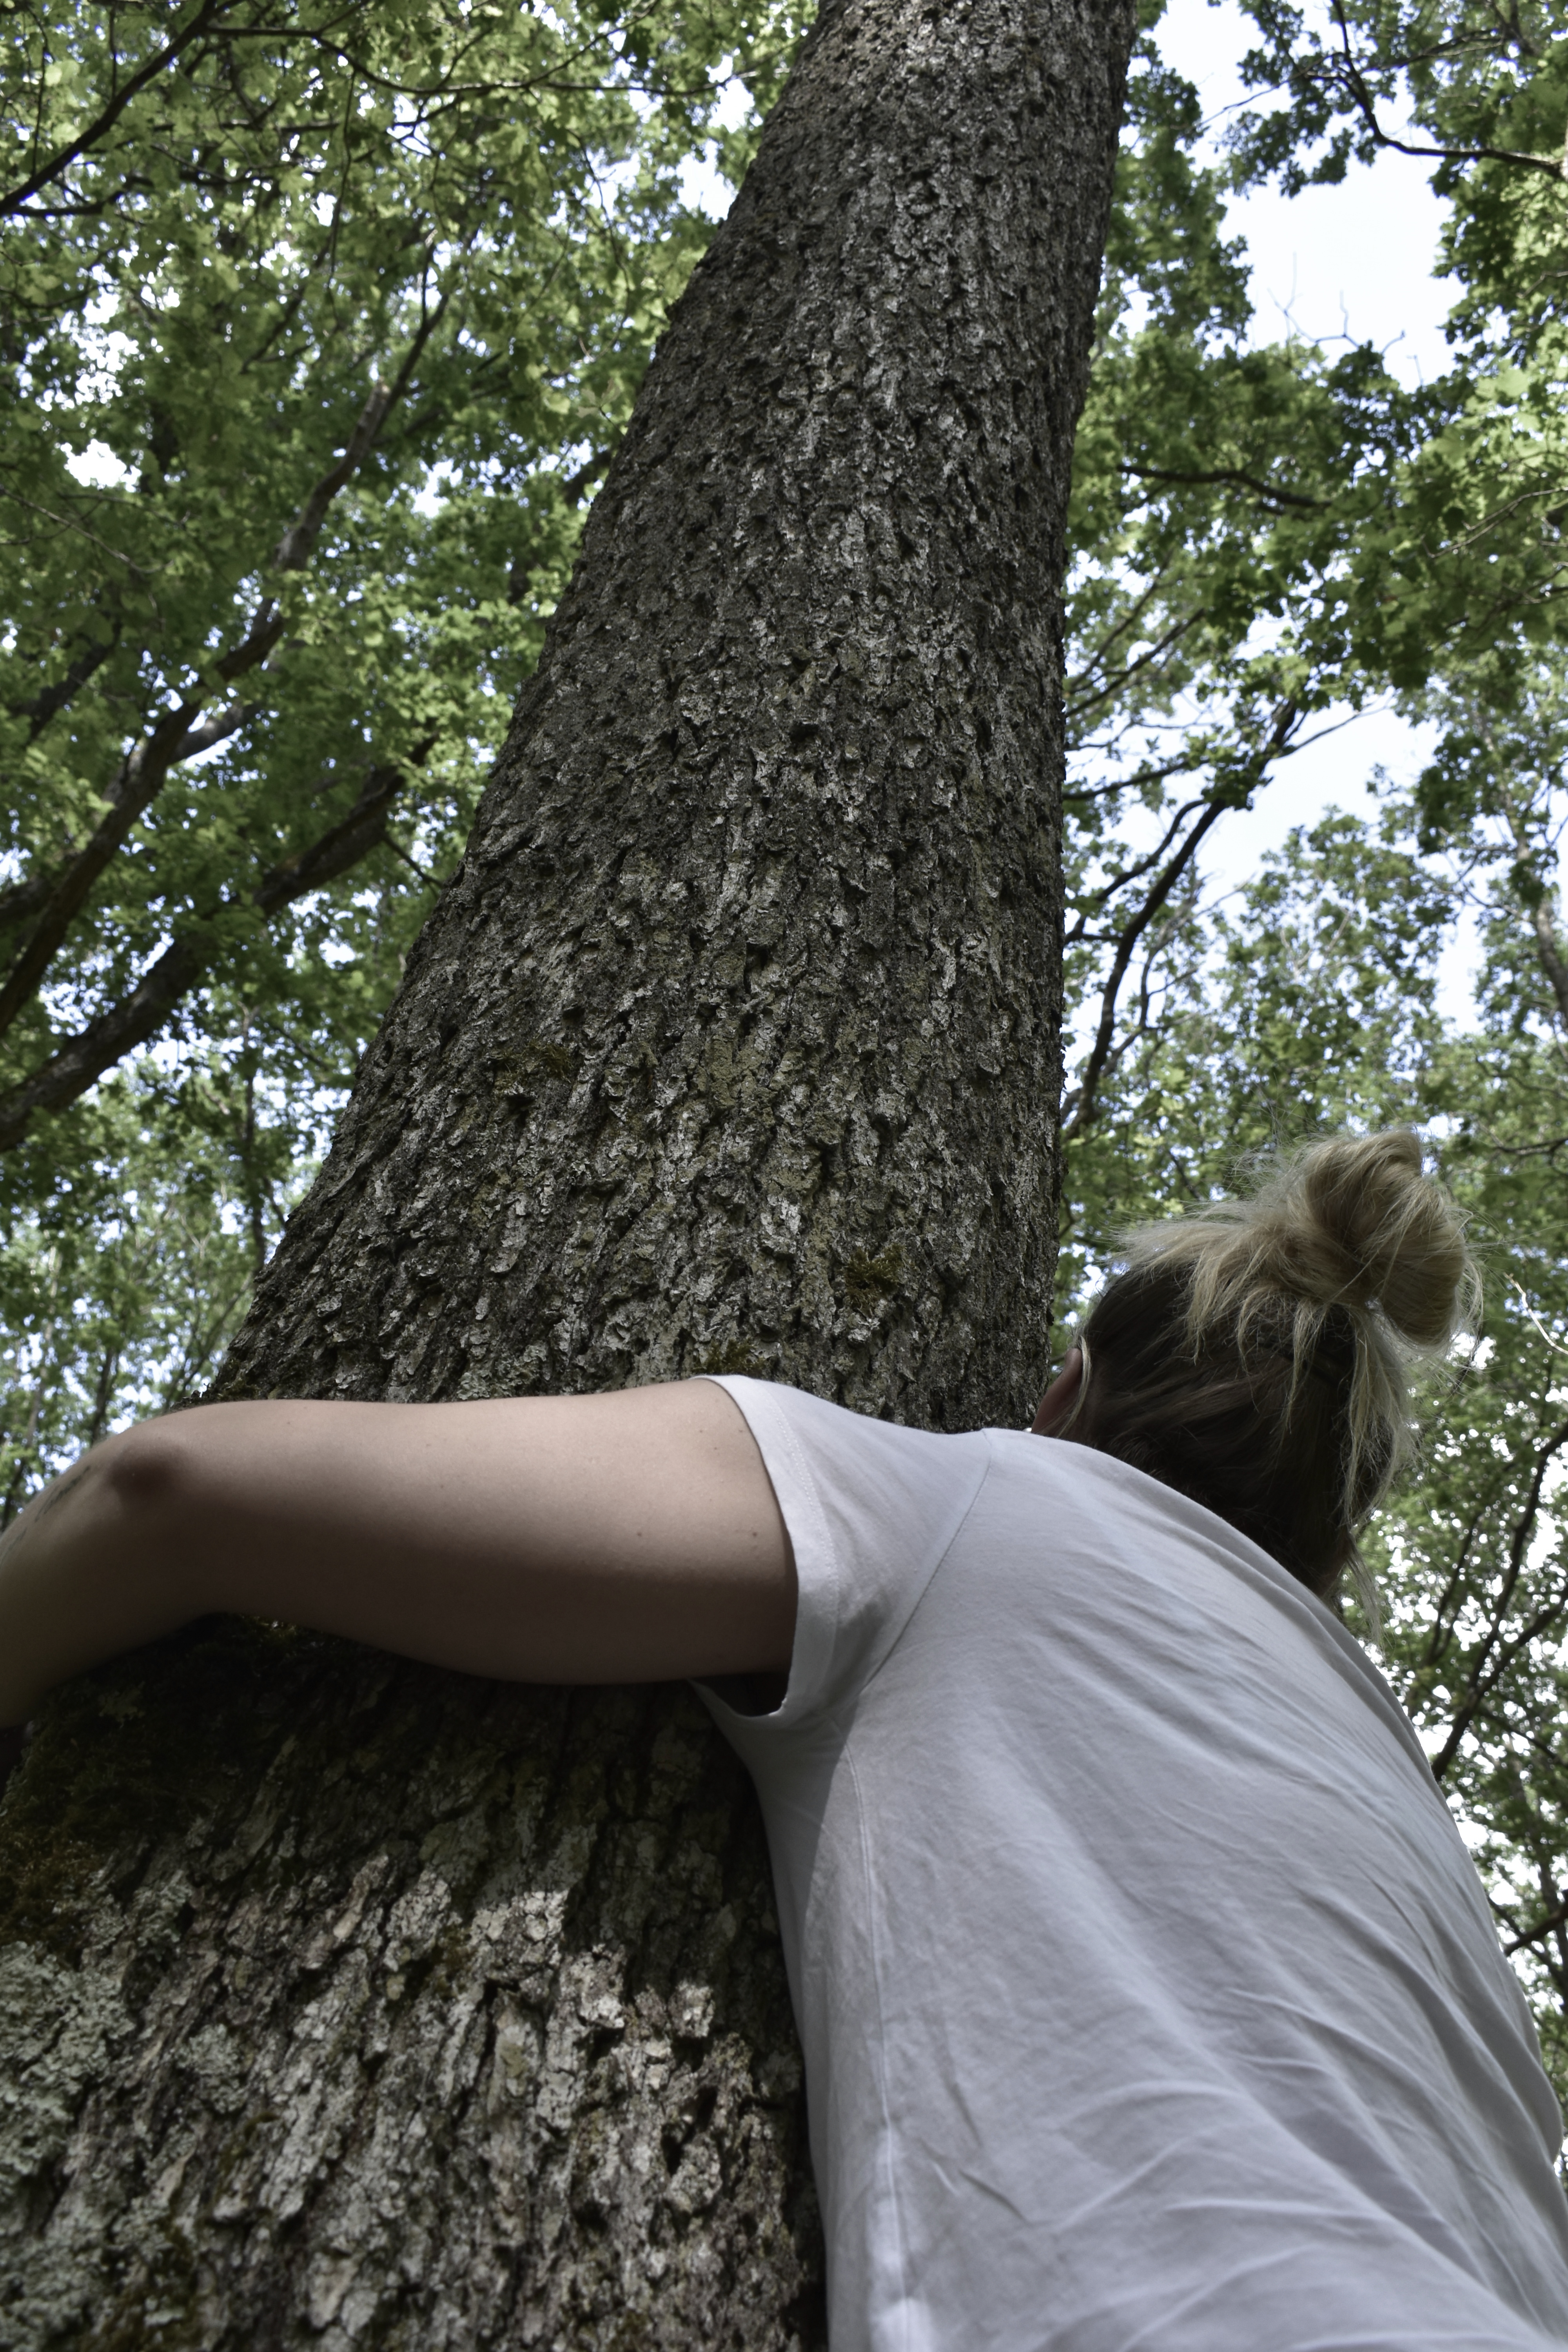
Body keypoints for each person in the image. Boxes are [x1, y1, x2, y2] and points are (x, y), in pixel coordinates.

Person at [2, 1127, 1566, 2350]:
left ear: (1061, 1396)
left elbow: (169, 1495)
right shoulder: (1388, 1770)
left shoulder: (981, 1502)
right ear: (1321, 1554)